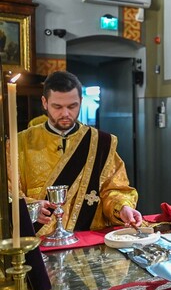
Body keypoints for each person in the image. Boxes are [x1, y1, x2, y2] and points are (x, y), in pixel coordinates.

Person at [17, 71, 142, 236]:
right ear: (44, 103)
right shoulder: (21, 143)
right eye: (57, 107)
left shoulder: (101, 142)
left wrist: (122, 208)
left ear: (81, 101)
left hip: (87, 239)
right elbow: (9, 193)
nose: (65, 114)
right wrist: (31, 208)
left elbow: (114, 189)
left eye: (72, 106)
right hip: (39, 241)